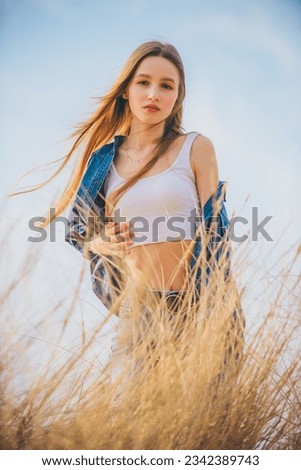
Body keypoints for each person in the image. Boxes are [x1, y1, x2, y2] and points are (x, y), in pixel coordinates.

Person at [9, 40, 245, 392]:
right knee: (139, 428)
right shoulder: (103, 161)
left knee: (206, 425)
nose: (154, 93)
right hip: (141, 312)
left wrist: (217, 309)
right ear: (126, 91)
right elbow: (78, 230)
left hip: (202, 306)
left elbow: (216, 229)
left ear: (177, 97)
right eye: (143, 82)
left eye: (167, 86)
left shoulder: (196, 147)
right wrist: (102, 243)